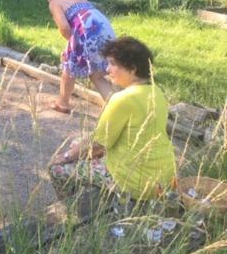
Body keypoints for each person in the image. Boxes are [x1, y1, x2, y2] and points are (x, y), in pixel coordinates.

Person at [49, 37, 176, 203]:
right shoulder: (156, 91)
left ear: (132, 69)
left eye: (113, 64)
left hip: (135, 183)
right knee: (77, 142)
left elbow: (97, 144)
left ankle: (73, 209)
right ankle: (94, 197)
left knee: (57, 168)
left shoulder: (122, 99)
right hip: (164, 176)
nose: (107, 69)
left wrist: (65, 157)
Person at [42, 0, 116, 113]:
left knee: (69, 66)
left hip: (88, 32)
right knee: (98, 75)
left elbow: (64, 27)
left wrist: (71, 47)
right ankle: (122, 108)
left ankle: (63, 103)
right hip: (105, 30)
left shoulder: (55, 2)